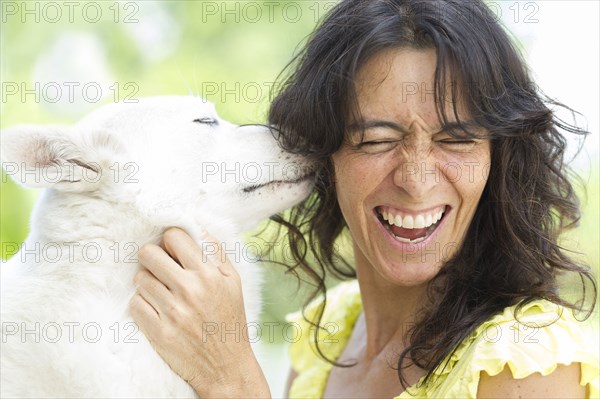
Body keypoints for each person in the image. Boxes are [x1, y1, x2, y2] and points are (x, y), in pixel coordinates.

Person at [129, 0, 599, 397]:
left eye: (456, 140)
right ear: (322, 154)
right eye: (376, 140)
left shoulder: (528, 361)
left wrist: (233, 381)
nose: (416, 181)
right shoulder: (327, 332)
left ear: (498, 156)